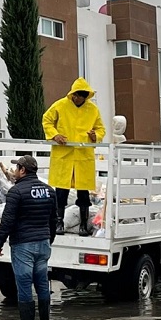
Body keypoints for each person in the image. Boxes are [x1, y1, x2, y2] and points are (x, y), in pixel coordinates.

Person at [0, 155, 58, 320]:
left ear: (23, 170)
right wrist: (48, 239)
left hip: (23, 245)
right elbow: (54, 220)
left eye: (16, 168)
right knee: (43, 283)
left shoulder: (16, 192)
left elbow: (7, 220)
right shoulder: (49, 191)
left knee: (24, 285)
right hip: (43, 243)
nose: (13, 171)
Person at [42, 77, 105, 236]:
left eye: (80, 96)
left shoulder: (93, 109)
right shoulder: (60, 105)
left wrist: (94, 135)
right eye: (75, 95)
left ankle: (83, 225)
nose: (77, 98)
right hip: (64, 155)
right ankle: (59, 224)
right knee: (61, 191)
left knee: (83, 193)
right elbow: (47, 120)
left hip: (83, 157)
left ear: (85, 96)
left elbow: (101, 129)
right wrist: (55, 135)